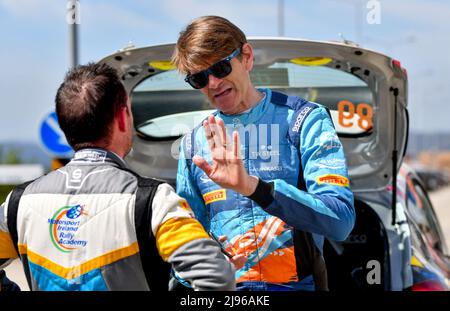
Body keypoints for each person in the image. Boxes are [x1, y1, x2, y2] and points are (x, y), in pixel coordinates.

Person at [0, 63, 235, 291]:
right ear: (123, 117)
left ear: (64, 125)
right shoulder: (155, 201)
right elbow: (216, 276)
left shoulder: (18, 202)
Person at [173, 16, 355, 291]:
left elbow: (340, 221)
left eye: (220, 68)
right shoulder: (193, 145)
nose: (212, 84)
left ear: (246, 57)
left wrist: (255, 188)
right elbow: (188, 244)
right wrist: (205, 266)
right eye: (198, 78)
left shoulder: (304, 121)